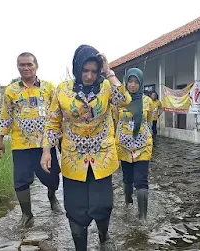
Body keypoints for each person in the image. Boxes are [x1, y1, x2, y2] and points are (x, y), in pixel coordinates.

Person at [40, 45, 131, 251]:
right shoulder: (62, 89)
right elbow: (53, 122)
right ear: (76, 68)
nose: (89, 76)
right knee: (75, 208)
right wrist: (47, 151)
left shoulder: (106, 87)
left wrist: (109, 73)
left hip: (103, 157)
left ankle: (103, 236)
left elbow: (124, 100)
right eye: (85, 70)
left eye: (94, 71)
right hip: (73, 159)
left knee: (102, 205)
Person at [0, 52, 62, 228]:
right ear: (18, 67)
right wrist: (0, 138)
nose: (25, 68)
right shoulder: (11, 90)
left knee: (53, 177)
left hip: (45, 144)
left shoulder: (49, 88)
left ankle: (52, 196)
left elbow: (57, 114)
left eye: (29, 64)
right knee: (21, 179)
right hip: (21, 144)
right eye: (21, 65)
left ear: (36, 66)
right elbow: (6, 115)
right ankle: (27, 214)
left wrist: (63, 136)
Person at [115, 68, 154, 222]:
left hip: (143, 145)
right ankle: (127, 202)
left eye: (136, 82)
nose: (132, 85)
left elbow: (149, 119)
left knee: (141, 179)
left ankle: (143, 217)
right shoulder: (120, 100)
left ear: (141, 83)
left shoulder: (147, 101)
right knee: (127, 177)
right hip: (124, 146)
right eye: (130, 82)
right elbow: (114, 120)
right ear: (126, 83)